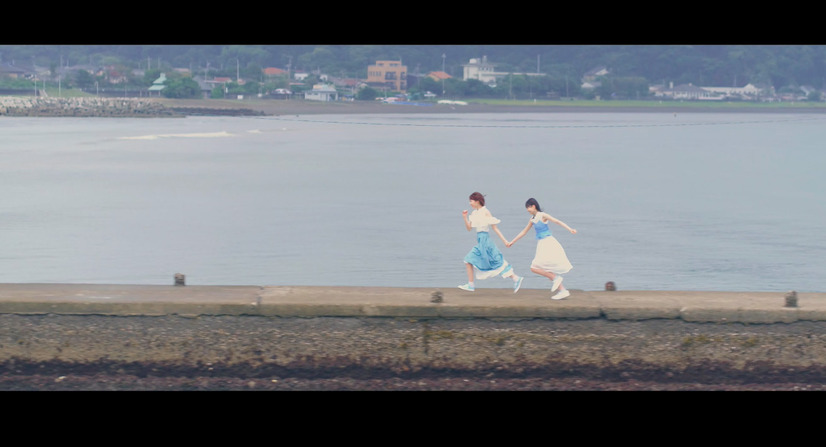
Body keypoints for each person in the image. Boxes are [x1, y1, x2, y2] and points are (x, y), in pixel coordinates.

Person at [506, 198, 576, 299]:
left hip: (548, 242)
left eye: (528, 207)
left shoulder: (542, 215)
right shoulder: (532, 219)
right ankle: (562, 290)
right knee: (541, 268)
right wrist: (512, 242)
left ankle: (556, 279)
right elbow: (524, 232)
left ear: (533, 206)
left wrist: (570, 229)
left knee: (535, 267)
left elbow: (557, 221)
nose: (527, 210)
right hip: (542, 244)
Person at [459, 192, 524, 293]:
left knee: (496, 262)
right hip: (480, 241)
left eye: (471, 201)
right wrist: (464, 217)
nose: (470, 203)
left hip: (486, 241)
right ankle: (471, 285)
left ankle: (516, 278)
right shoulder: (474, 213)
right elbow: (469, 228)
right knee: (468, 260)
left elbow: (495, 228)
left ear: (477, 201)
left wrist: (505, 241)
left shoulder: (485, 211)